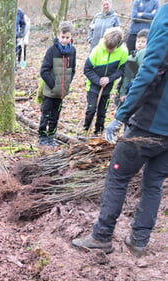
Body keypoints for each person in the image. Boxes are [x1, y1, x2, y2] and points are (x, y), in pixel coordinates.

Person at [72, 3, 168, 257]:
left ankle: (102, 236)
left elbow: (150, 71)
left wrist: (121, 116)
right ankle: (139, 241)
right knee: (154, 182)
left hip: (150, 122)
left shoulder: (166, 16)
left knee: (118, 176)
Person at [83, 27, 128, 135]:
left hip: (108, 87)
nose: (109, 50)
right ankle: (86, 129)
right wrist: (98, 80)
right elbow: (87, 69)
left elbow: (122, 70)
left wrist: (109, 78)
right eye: (108, 48)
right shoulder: (97, 50)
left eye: (111, 49)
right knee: (91, 109)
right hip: (93, 86)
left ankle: (98, 131)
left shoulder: (123, 52)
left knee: (102, 112)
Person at [38, 21, 76, 148]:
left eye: (67, 37)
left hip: (61, 92)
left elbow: (73, 70)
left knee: (56, 116)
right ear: (58, 35)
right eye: (62, 37)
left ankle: (51, 136)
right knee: (46, 115)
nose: (64, 40)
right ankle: (43, 137)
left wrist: (66, 86)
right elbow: (44, 70)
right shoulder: (52, 50)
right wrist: (53, 85)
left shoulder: (73, 51)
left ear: (71, 37)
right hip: (50, 91)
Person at [117, 29, 148, 106]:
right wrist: (122, 93)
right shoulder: (131, 57)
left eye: (143, 42)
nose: (140, 44)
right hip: (130, 89)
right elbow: (127, 76)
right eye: (138, 41)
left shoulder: (146, 55)